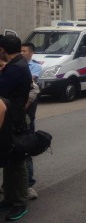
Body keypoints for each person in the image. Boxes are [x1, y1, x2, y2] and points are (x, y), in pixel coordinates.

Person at [0, 35, 32, 221]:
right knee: (10, 160)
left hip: (14, 120)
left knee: (17, 162)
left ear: (3, 49)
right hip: (12, 118)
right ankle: (11, 198)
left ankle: (20, 202)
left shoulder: (15, 68)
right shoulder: (16, 65)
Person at [20, 43, 41, 200]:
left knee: (25, 145)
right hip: (17, 111)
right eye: (20, 50)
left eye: (24, 50)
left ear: (32, 53)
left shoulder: (34, 66)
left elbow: (31, 85)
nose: (22, 53)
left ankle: (28, 183)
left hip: (27, 111)